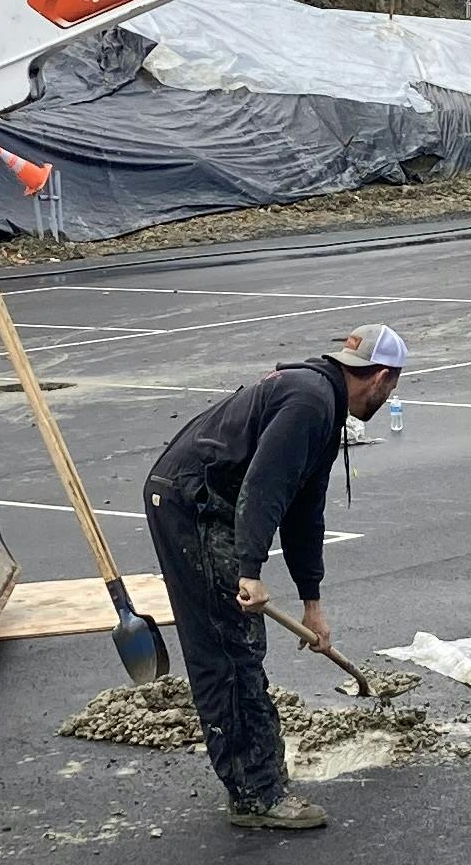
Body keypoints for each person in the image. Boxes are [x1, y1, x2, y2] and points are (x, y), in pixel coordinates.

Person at [144, 326, 405, 836]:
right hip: (192, 506)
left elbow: (304, 509)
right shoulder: (310, 401)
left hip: (209, 504)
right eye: (394, 386)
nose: (392, 395)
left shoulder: (324, 405)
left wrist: (313, 602)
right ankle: (255, 794)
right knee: (230, 649)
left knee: (237, 646)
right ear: (380, 376)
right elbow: (263, 486)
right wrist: (250, 571)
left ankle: (257, 779)